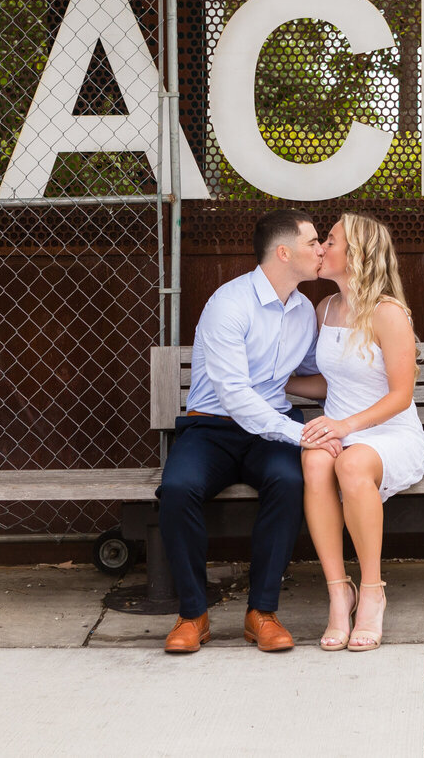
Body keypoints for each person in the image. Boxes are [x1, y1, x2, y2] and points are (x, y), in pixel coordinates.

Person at [157, 208, 343, 655]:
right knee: (177, 488)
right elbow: (235, 395)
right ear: (284, 252)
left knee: (289, 481)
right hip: (212, 427)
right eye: (313, 242)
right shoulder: (229, 303)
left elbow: (321, 372)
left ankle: (262, 612)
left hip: (270, 429)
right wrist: (299, 434)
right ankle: (192, 614)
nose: (321, 249)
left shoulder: (303, 310)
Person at [297, 213, 424, 652]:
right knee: (315, 459)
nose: (321, 249)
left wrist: (346, 426)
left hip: (389, 434)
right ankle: (339, 593)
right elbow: (329, 384)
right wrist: (274, 384)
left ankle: (372, 591)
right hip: (343, 429)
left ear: (355, 255)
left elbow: (401, 395)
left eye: (329, 241)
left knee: (350, 462)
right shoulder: (325, 308)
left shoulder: (388, 313)